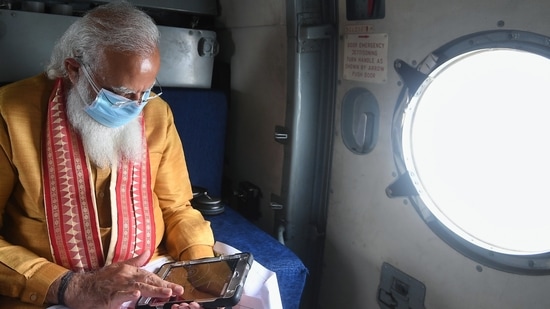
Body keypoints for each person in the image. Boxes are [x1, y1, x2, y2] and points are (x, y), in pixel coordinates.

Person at [0, 1, 216, 308]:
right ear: (74, 70)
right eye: (122, 93)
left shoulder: (156, 113)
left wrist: (200, 275)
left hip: (151, 274)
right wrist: (71, 287)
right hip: (54, 290)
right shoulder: (9, 112)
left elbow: (177, 207)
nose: (136, 106)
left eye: (146, 91)